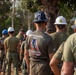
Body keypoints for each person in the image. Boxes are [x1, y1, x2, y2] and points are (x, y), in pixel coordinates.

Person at [24, 11, 55, 75]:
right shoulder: (48, 38)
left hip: (32, 66)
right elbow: (51, 58)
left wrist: (29, 67)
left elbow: (25, 54)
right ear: (45, 23)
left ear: (35, 23)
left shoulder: (29, 36)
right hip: (44, 68)